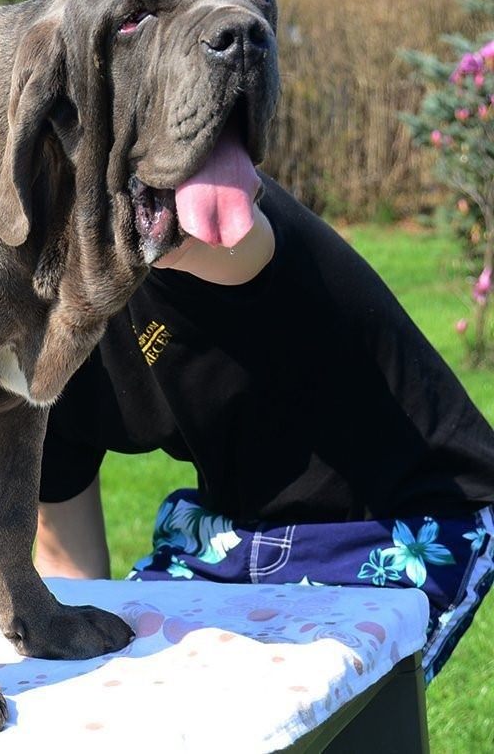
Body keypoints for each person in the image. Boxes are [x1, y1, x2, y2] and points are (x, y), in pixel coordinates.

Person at [34, 173, 494, 683]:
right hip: (229, 537)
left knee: (308, 715)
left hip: (398, 521)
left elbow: (232, 235)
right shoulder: (34, 363)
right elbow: (68, 568)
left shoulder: (192, 213)